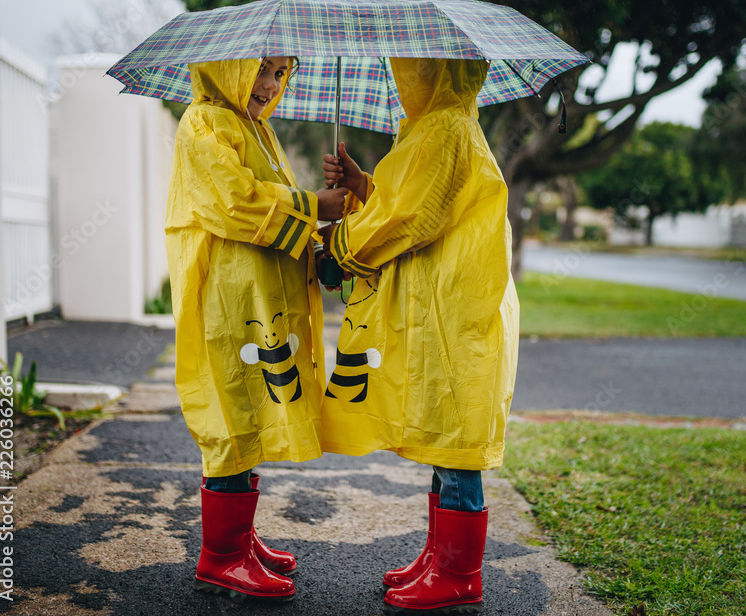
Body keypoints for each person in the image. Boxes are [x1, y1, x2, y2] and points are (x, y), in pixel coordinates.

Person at [319, 57, 520, 614]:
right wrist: (364, 185)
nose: (401, 75)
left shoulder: (443, 128)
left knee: (457, 441)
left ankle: (459, 573)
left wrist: (339, 249)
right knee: (444, 435)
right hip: (450, 306)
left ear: (434, 70)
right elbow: (409, 199)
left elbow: (408, 217)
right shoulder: (436, 126)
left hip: (458, 309)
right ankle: (440, 557)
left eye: (411, 67)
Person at [165, 56, 347, 601]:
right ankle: (220, 557)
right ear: (228, 67)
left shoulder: (255, 127)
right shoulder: (204, 122)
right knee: (230, 416)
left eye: (280, 73)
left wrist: (321, 236)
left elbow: (272, 209)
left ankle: (239, 540)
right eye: (262, 70)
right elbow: (234, 204)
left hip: (258, 297)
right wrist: (315, 203)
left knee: (252, 410)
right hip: (228, 298)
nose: (271, 85)